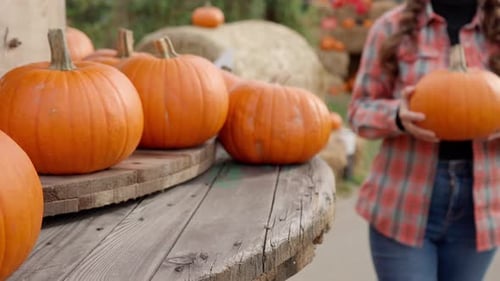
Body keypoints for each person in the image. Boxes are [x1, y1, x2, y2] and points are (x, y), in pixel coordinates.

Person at [347, 0, 500, 280]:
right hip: (403, 203)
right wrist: (397, 116)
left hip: (481, 210)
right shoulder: (391, 27)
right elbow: (358, 111)